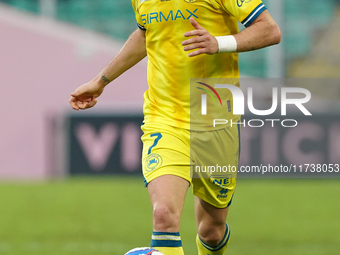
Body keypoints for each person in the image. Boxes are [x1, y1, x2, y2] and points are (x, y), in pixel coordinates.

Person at [69, 0, 281, 254]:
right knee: (164, 215)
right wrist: (101, 80)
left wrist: (219, 43)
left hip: (214, 123)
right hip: (164, 119)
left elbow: (270, 29)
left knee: (211, 230)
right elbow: (145, 34)